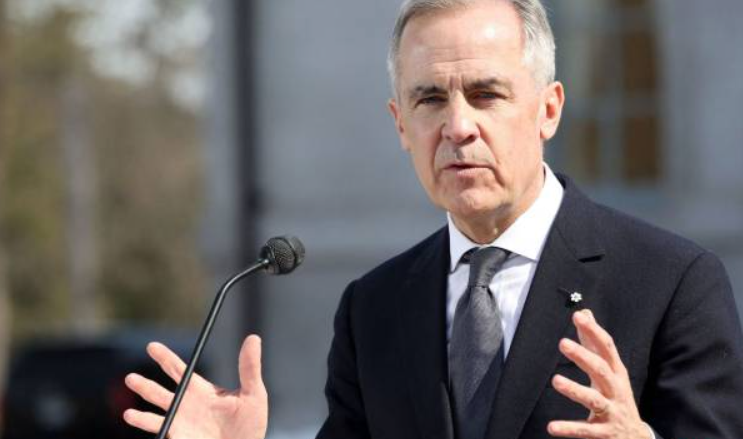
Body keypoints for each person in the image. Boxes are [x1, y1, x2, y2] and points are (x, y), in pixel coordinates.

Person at [122, 0, 743, 438]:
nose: (458, 126)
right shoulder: (373, 308)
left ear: (548, 110)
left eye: (486, 94)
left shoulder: (671, 283)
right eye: (430, 99)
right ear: (401, 124)